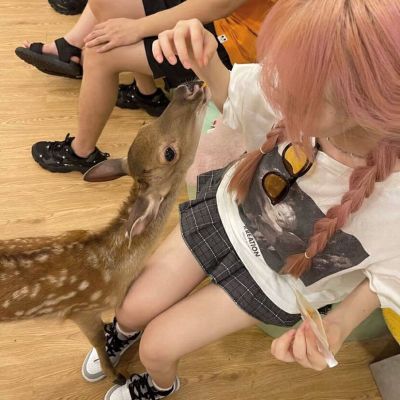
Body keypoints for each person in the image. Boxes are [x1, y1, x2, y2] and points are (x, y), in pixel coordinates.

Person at [80, 1, 400, 399]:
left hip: (275, 281)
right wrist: (205, 60)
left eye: (296, 88)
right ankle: (122, 333)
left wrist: (338, 325)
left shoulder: (392, 202)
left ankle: (160, 386)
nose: (275, 85)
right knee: (130, 309)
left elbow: (388, 277)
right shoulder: (299, 92)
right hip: (229, 213)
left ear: (363, 103)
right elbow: (238, 95)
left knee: (157, 347)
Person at [23, 0, 275, 173]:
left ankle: (81, 153)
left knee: (98, 54)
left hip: (235, 41)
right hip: (223, 18)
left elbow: (219, 5)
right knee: (107, 5)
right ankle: (146, 93)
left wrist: (136, 28)